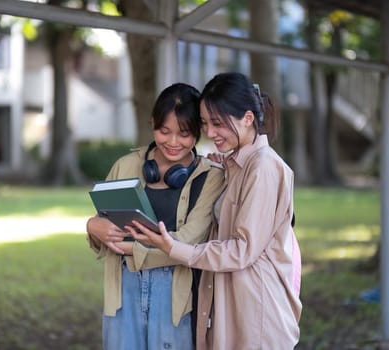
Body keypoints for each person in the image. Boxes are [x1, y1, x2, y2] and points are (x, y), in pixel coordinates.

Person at [129, 72, 303, 349]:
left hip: (256, 314)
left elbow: (242, 250)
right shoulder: (238, 165)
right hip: (235, 306)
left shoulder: (264, 168)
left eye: (218, 124)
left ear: (248, 118)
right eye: (206, 123)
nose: (209, 133)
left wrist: (174, 247)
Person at [86, 83, 225, 350]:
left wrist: (129, 248)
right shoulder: (125, 166)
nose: (173, 142)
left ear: (198, 132)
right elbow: (101, 223)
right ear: (152, 123)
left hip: (175, 293)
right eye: (164, 131)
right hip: (122, 290)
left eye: (184, 134)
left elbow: (188, 242)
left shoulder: (211, 177)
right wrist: (92, 226)